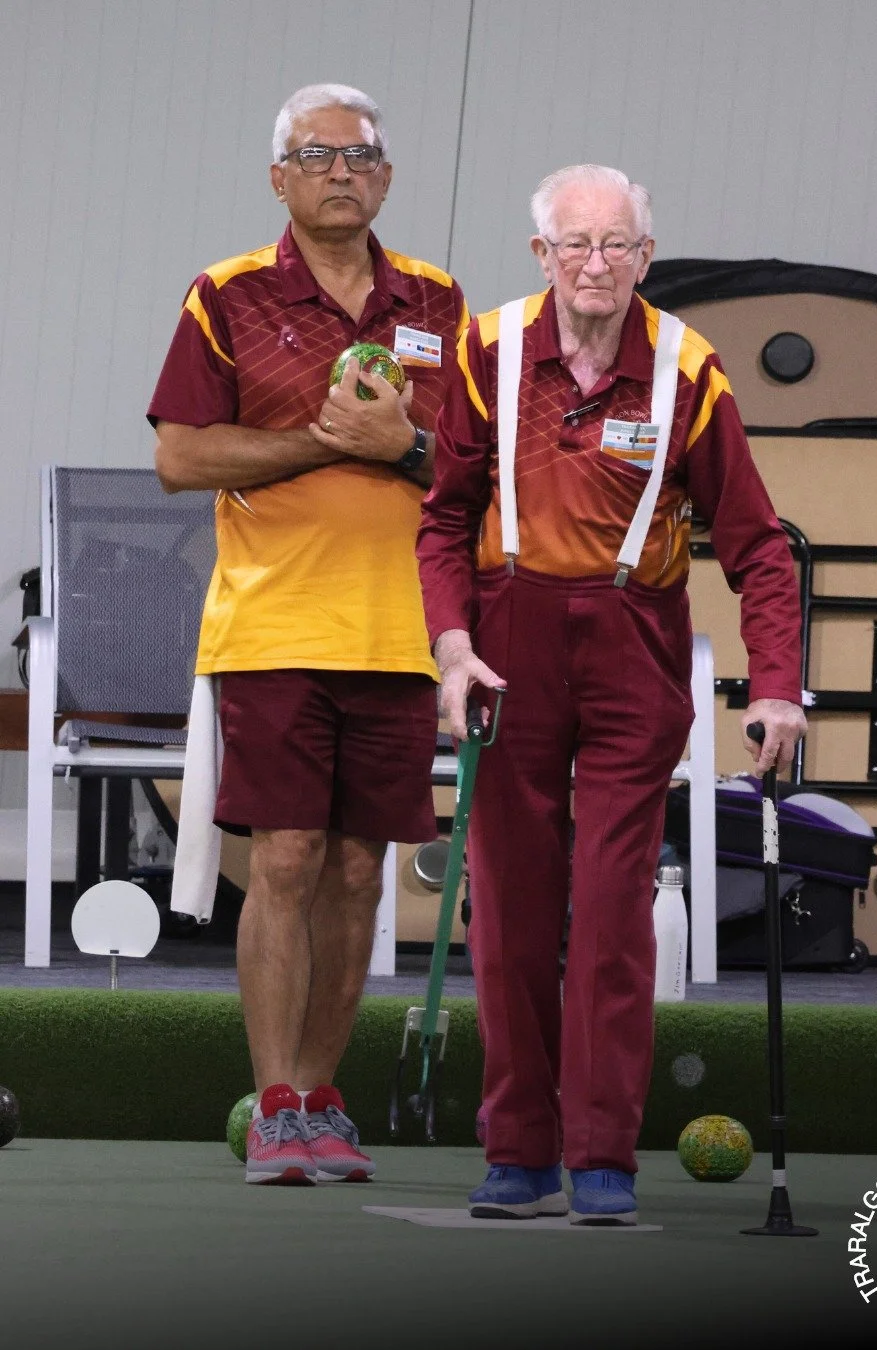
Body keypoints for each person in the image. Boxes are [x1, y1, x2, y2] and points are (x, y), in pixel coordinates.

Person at [416, 163, 806, 1225]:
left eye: (619, 245)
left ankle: (600, 1159)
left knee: (614, 910)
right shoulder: (486, 349)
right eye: (576, 245)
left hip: (634, 642)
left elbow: (761, 548)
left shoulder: (690, 368)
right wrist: (452, 650)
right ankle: (520, 1149)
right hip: (508, 645)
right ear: (542, 255)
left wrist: (776, 688)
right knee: (507, 910)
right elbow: (443, 520)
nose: (597, 265)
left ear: (645, 254)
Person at [148, 83, 468, 1185]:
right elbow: (183, 458)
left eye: (362, 154)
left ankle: (324, 1096)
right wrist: (332, 445)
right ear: (278, 176)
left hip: (402, 631)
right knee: (283, 856)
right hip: (276, 624)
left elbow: (470, 471)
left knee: (359, 872)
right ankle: (275, 1099)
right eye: (317, 153)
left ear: (385, 178)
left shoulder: (437, 301)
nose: (342, 170)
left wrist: (405, 449)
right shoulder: (227, 295)